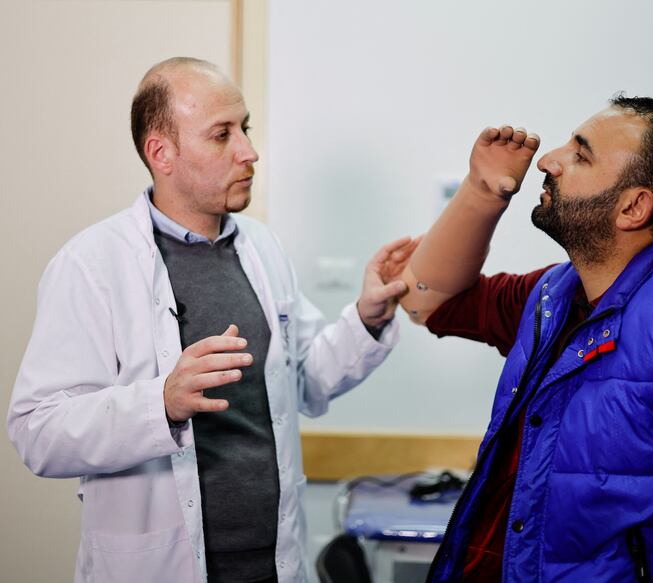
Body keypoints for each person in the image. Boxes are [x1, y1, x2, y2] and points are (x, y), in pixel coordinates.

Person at [7, 57, 408, 583]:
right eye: (222, 135)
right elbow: (36, 430)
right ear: (161, 153)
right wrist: (161, 404)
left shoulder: (262, 248)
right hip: (160, 568)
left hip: (273, 564)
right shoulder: (92, 264)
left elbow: (303, 381)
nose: (248, 151)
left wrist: (366, 318)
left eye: (245, 128)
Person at [384, 96, 653, 582]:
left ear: (633, 207)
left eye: (580, 155)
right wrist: (482, 191)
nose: (547, 160)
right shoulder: (556, 294)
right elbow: (426, 300)